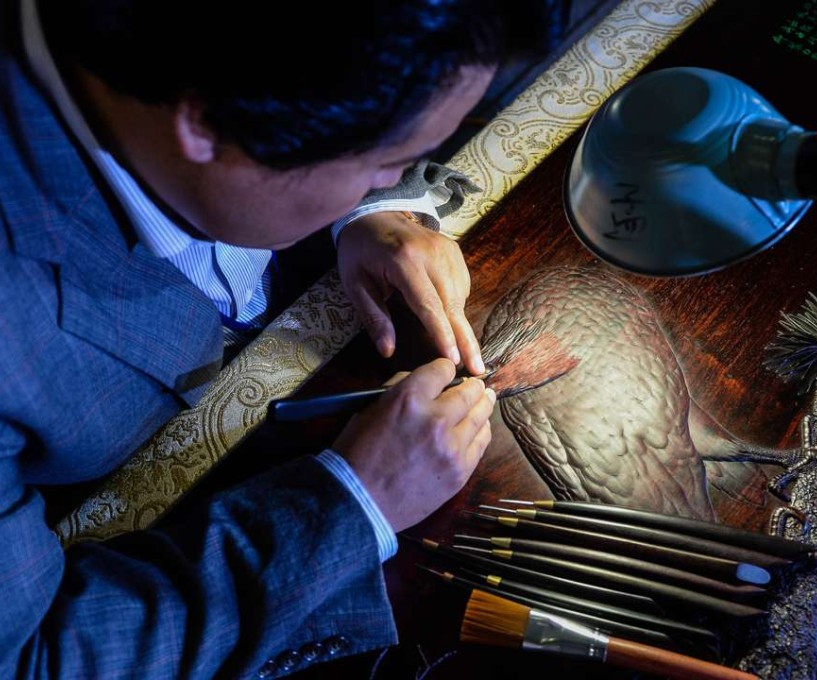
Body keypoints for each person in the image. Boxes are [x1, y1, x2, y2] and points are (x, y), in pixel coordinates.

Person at [0, 0, 561, 677]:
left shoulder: (249, 74)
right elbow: (38, 658)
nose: (400, 177)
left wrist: (372, 209)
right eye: (390, 161)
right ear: (207, 121)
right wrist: (352, 502)